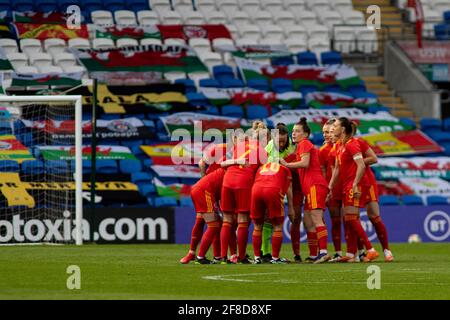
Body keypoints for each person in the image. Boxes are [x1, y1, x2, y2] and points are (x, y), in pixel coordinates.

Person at [328, 117, 379, 263]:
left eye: (335, 125)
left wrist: (356, 183)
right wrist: (330, 186)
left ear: (342, 129)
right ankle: (351, 255)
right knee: (349, 218)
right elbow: (337, 169)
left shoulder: (352, 145)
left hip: (354, 184)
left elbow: (362, 165)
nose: (333, 128)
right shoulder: (339, 145)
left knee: (350, 217)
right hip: (345, 185)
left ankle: (370, 250)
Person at [280, 118, 330, 264]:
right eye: (293, 131)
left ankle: (323, 252)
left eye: (297, 131)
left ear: (306, 134)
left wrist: (287, 164)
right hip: (311, 188)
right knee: (308, 222)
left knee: (316, 219)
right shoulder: (301, 146)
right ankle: (314, 254)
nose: (293, 134)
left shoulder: (304, 144)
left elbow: (305, 163)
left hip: (315, 185)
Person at [219, 123, 267, 264]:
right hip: (244, 181)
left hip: (227, 180)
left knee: (227, 219)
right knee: (243, 221)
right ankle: (241, 256)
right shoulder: (262, 151)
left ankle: (223, 257)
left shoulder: (238, 146)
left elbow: (224, 162)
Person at [180, 142, 229, 264]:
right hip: (209, 189)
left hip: (213, 188)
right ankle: (201, 256)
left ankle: (201, 254)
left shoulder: (238, 152)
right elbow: (201, 163)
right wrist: (205, 181)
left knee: (206, 222)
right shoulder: (222, 149)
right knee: (214, 224)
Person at [261, 123, 300, 263]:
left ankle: (267, 253)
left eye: (284, 140)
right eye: (279, 141)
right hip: (269, 184)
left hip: (285, 184)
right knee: (268, 219)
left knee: (273, 220)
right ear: (273, 138)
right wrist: (290, 206)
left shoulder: (291, 145)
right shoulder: (271, 150)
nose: (282, 143)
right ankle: (265, 253)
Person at [357, 137, 394, 262]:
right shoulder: (335, 147)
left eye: (332, 129)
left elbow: (373, 158)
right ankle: (361, 253)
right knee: (352, 218)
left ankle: (386, 250)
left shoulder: (358, 142)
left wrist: (357, 161)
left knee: (374, 216)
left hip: (366, 181)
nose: (328, 134)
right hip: (349, 183)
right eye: (326, 132)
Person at [251, 160, 294, 264]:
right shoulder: (285, 169)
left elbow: (257, 182)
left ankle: (257, 258)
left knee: (257, 225)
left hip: (256, 190)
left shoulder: (261, 167)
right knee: (277, 225)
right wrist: (291, 208)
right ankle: (275, 258)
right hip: (273, 190)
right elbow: (286, 189)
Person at [319, 119, 344, 262]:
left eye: (328, 131)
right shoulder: (323, 151)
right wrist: (326, 188)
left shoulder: (344, 146)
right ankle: (338, 252)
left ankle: (358, 253)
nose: (326, 135)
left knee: (350, 220)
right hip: (332, 189)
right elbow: (322, 171)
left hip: (346, 187)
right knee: (335, 221)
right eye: (324, 132)